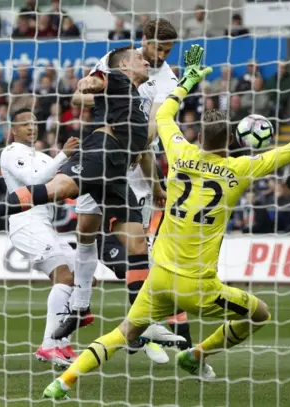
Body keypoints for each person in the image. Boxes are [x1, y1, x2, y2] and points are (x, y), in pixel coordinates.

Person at [42, 44, 290, 400]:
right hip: (198, 286)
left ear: (198, 135)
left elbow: (165, 116)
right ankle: (198, 355)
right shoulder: (240, 169)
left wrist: (188, 82)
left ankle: (63, 383)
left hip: (160, 277)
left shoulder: (180, 153)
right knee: (259, 314)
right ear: (232, 140)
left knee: (121, 334)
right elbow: (289, 151)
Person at [0, 46, 176, 353]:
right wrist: (89, 83)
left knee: (138, 245)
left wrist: (158, 188)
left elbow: (144, 150)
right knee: (51, 192)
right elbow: (93, 83)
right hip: (97, 156)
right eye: (139, 58)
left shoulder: (138, 102)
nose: (146, 60)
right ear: (123, 66)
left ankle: (142, 319)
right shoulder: (116, 80)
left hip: (116, 177)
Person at [69, 18, 191, 361]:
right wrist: (95, 91)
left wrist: (138, 138)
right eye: (157, 48)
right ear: (143, 41)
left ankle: (143, 332)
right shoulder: (118, 59)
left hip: (137, 165)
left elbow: (155, 123)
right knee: (85, 229)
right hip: (102, 150)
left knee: (141, 249)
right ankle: (80, 300)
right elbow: (83, 94)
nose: (162, 55)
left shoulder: (168, 79)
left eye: (168, 50)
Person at [0, 108, 81, 367]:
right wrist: (63, 155)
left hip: (44, 224)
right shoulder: (11, 152)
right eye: (24, 123)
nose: (31, 127)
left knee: (82, 276)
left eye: (34, 123)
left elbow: (55, 181)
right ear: (13, 130)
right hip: (25, 223)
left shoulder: (40, 156)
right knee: (63, 275)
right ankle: (49, 345)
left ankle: (63, 344)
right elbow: (34, 180)